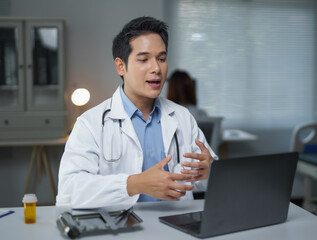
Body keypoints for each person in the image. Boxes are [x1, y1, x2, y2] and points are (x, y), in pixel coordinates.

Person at [58, 17, 218, 208]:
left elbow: (208, 179)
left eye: (161, 58)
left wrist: (209, 172)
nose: (156, 68)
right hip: (121, 232)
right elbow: (69, 190)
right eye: (143, 59)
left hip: (177, 227)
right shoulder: (91, 123)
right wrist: (133, 184)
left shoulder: (181, 117)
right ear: (121, 66)